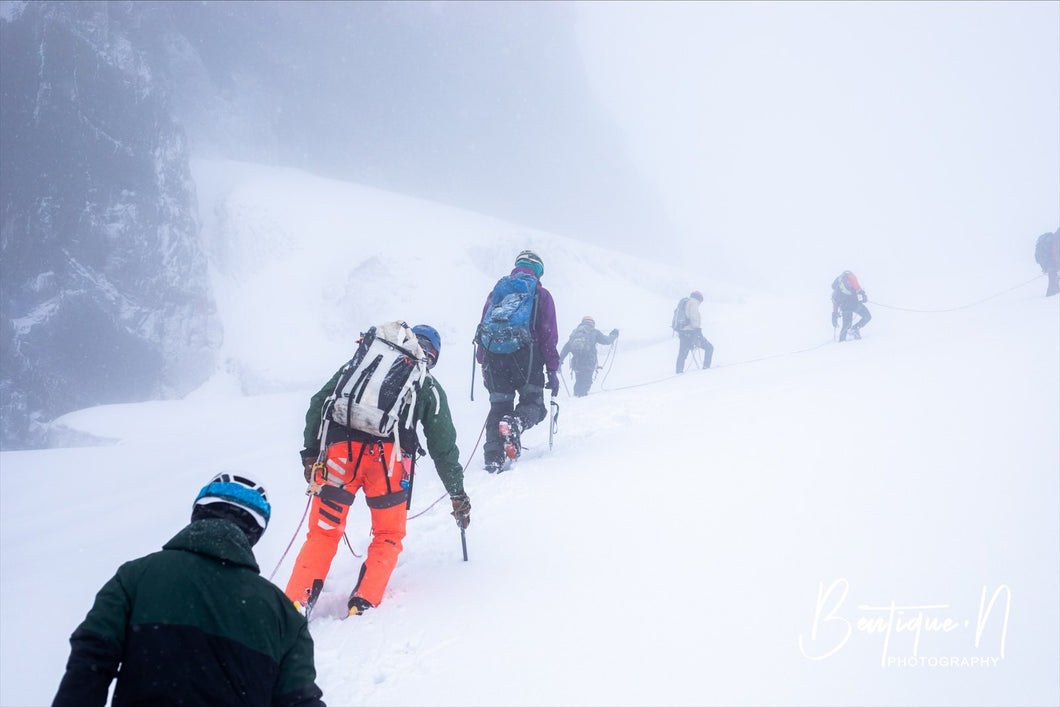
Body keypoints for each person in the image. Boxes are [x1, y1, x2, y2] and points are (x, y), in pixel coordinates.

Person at [53, 473, 325, 707]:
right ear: (255, 533)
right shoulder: (283, 614)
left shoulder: (135, 576)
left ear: (198, 513)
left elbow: (90, 661)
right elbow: (300, 701)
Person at [284, 324, 470, 618]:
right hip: (388, 464)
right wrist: (457, 493)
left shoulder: (362, 364)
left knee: (323, 533)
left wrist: (310, 452)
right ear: (432, 356)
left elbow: (318, 403)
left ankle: (295, 602)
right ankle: (363, 602)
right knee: (387, 534)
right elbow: (443, 448)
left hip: (338, 455)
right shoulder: (427, 386)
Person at [476, 250, 560, 472]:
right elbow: (548, 335)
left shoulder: (497, 293)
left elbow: (484, 326)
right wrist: (552, 370)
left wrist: (483, 362)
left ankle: (492, 459)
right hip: (526, 357)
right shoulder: (541, 295)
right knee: (534, 405)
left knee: (499, 406)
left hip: (494, 358)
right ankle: (515, 424)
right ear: (539, 272)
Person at [559, 315, 619, 397]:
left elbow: (566, 348)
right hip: (588, 362)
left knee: (579, 381)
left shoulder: (575, 334)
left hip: (577, 364)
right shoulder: (594, 332)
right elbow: (606, 341)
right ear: (592, 323)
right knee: (586, 382)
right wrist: (613, 335)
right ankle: (581, 399)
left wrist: (559, 361)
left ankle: (576, 398)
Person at [674, 290, 714, 373]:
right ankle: (706, 369)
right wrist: (697, 331)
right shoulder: (694, 303)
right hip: (691, 332)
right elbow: (694, 317)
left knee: (682, 353)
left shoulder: (686, 302)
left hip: (682, 332)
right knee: (709, 348)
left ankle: (678, 371)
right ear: (699, 298)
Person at [831, 270, 872, 341]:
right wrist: (862, 293)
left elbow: (835, 302)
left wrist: (834, 315)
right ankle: (855, 329)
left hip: (845, 307)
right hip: (854, 304)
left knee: (846, 326)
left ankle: (841, 341)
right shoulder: (849, 276)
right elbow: (856, 285)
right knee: (867, 316)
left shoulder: (837, 289)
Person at [1034, 228, 1059, 297]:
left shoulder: (1053, 239)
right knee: (1053, 280)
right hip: (1051, 263)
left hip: (1049, 263)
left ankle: (1052, 295)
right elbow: (1055, 253)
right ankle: (1051, 298)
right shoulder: (1056, 240)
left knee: (1053, 279)